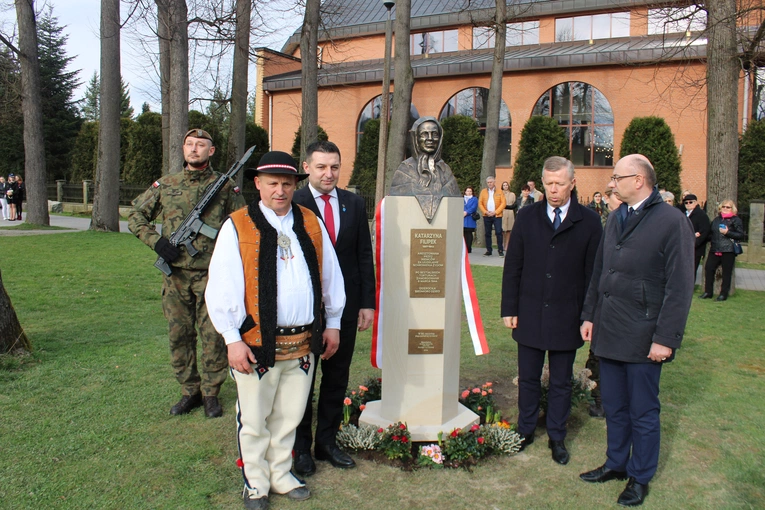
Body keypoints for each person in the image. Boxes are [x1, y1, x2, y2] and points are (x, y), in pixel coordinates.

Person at [205, 151, 345, 509]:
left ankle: (281, 474)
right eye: (272, 184)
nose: (280, 191)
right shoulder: (237, 225)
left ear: (295, 184)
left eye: (286, 184)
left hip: (302, 342)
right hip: (256, 344)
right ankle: (256, 482)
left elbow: (330, 276)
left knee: (290, 416)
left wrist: (332, 323)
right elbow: (222, 286)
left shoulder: (311, 222)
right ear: (258, 184)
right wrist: (232, 339)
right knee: (253, 419)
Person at [579, 154, 694, 507]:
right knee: (613, 405)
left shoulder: (671, 221)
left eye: (617, 177)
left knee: (642, 411)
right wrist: (589, 315)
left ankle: (639, 476)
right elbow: (600, 271)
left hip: (645, 336)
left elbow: (680, 286)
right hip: (610, 330)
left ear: (639, 180)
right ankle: (616, 463)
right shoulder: (616, 217)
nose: (611, 183)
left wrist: (665, 338)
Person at [128, 129, 246, 418]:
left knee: (214, 335)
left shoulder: (224, 186)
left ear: (211, 151)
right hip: (175, 277)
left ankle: (210, 394)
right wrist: (156, 242)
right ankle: (189, 391)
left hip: (212, 276)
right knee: (179, 335)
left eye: (201, 145)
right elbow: (135, 216)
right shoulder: (166, 184)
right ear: (183, 149)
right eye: (190, 144)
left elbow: (243, 224)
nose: (194, 149)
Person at [501, 156, 602, 465]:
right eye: (548, 184)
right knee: (528, 377)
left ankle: (557, 436)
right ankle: (526, 429)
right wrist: (509, 308)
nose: (554, 190)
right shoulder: (528, 216)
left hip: (567, 315)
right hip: (529, 310)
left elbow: (593, 275)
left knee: (560, 381)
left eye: (559, 183)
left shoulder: (589, 221)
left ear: (572, 183)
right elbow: (513, 265)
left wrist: (589, 316)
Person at [292, 141, 375, 476]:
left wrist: (367, 302)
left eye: (335, 167)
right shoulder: (293, 202)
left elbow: (363, 256)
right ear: (307, 166)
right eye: (322, 166)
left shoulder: (353, 203)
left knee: (336, 377)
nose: (329, 174)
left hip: (348, 307)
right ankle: (300, 449)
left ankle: (326, 442)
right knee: (302, 380)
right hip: (306, 308)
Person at [389, 116, 461, 221]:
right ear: (416, 138)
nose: (430, 138)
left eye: (435, 134)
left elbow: (455, 199)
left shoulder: (446, 170)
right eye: (424, 134)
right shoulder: (404, 169)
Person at [700, 199, 745, 302]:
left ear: (732, 209)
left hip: (728, 250)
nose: (725, 209)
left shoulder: (736, 220)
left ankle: (723, 294)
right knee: (709, 268)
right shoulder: (716, 220)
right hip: (715, 248)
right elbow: (711, 233)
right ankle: (708, 292)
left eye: (728, 207)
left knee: (726, 273)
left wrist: (727, 232)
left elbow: (740, 235)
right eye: (723, 207)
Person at [683, 194, 711, 275]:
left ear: (695, 203)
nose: (688, 204)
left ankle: (689, 287)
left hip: (695, 248)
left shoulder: (701, 215)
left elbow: (705, 231)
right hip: (683, 246)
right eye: (686, 203)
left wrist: (695, 243)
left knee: (691, 271)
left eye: (690, 202)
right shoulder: (683, 214)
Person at [478, 176, 506, 256]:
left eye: (491, 182)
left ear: (494, 182)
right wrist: (485, 212)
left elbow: (503, 203)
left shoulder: (500, 191)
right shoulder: (483, 191)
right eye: (488, 182)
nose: (490, 184)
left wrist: (496, 212)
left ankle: (500, 250)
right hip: (486, 215)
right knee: (487, 233)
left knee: (498, 232)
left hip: (497, 215)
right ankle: (488, 250)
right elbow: (480, 203)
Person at [501, 181, 517, 253]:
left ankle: (507, 245)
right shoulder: (500, 194)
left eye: (506, 185)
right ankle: (501, 243)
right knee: (501, 229)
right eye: (504, 185)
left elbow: (514, 203)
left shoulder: (512, 194)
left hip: (510, 212)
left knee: (508, 230)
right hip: (502, 212)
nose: (505, 187)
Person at [463, 186, 478, 253]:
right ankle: (464, 247)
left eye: (470, 191)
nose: (469, 192)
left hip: (470, 218)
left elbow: (473, 207)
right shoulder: (462, 198)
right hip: (462, 218)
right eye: (467, 191)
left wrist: (466, 212)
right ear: (465, 192)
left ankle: (469, 248)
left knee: (469, 233)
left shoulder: (474, 199)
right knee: (463, 233)